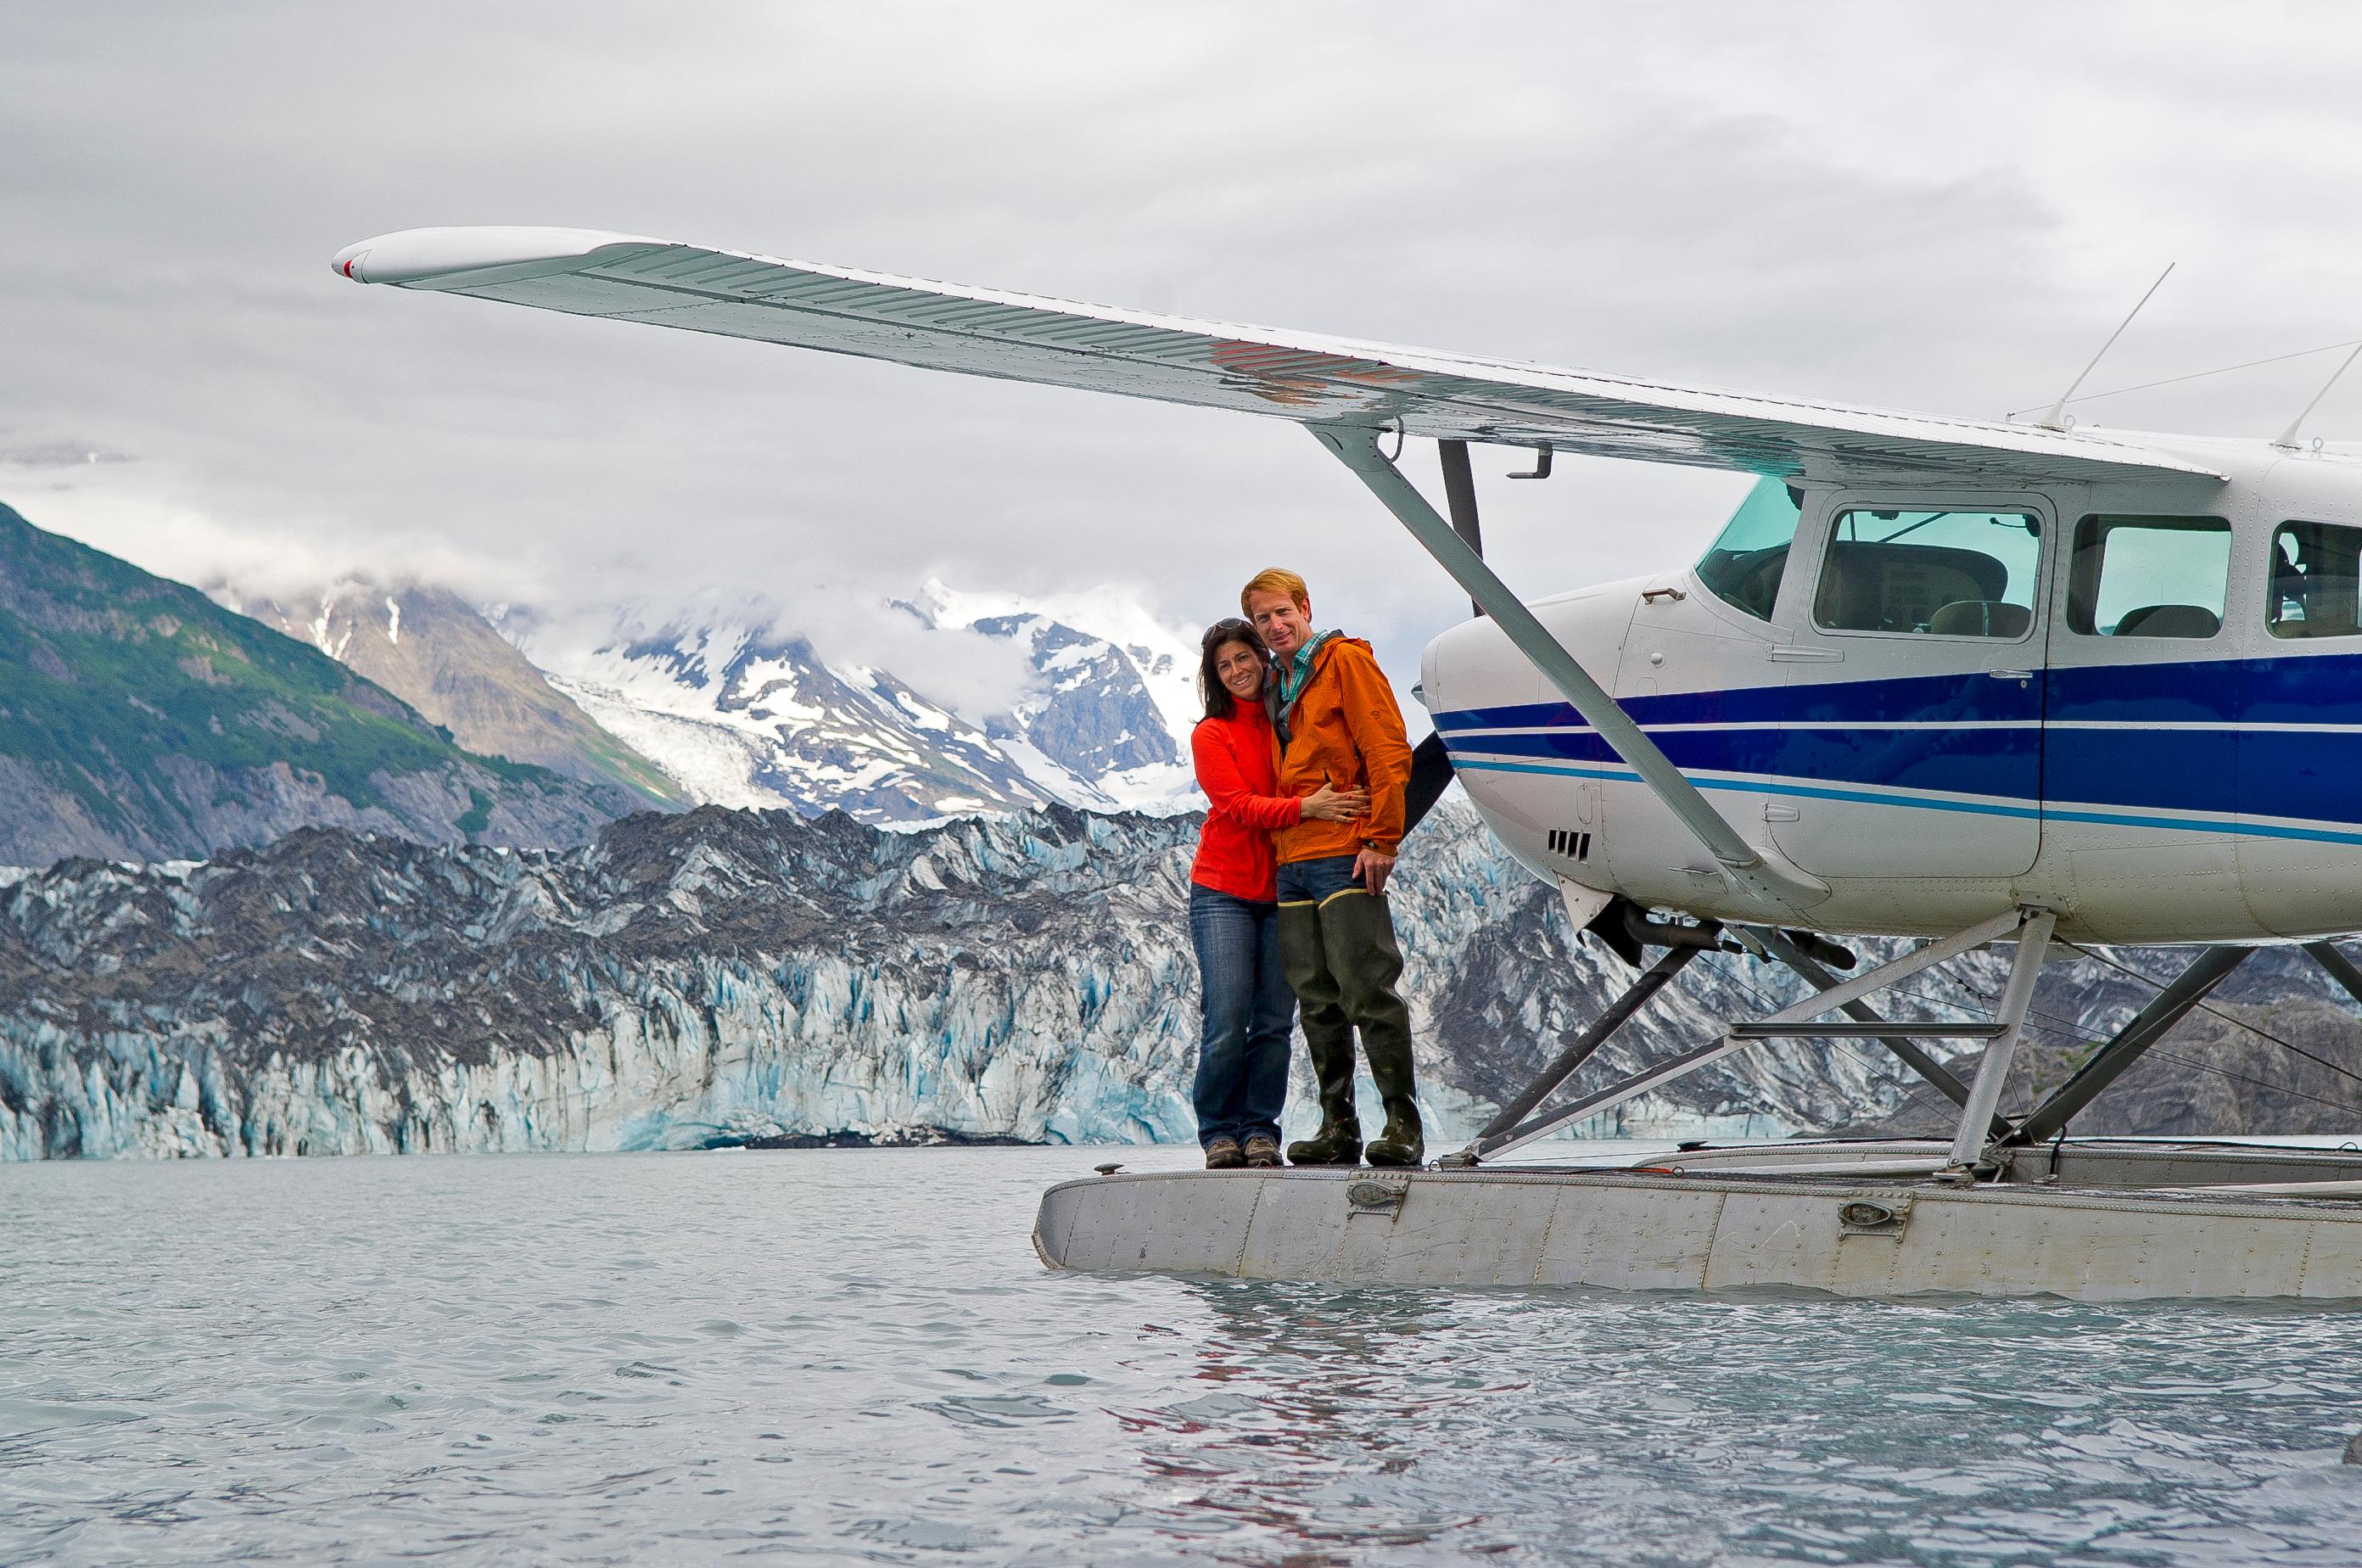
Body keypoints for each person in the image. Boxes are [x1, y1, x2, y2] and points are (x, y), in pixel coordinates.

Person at [1240, 568, 1422, 1168]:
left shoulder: (1345, 662)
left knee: (1367, 987)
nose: (1275, 625)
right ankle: (1337, 1126)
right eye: (1263, 619)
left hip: (1344, 852)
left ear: (1304, 607)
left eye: (1282, 612)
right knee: (1315, 998)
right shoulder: (1277, 683)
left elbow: (1388, 748)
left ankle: (1403, 1125)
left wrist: (1383, 838)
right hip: (1290, 857)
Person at [1189, 619, 1368, 1170]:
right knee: (1227, 1015)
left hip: (1285, 889)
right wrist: (1306, 809)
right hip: (1222, 891)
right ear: (1215, 676)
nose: (1237, 671)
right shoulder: (1211, 733)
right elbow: (1237, 805)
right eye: (1225, 665)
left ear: (1263, 660)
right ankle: (1219, 1130)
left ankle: (1259, 1129)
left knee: (1272, 1022)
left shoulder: (1286, 724)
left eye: (1245, 658)